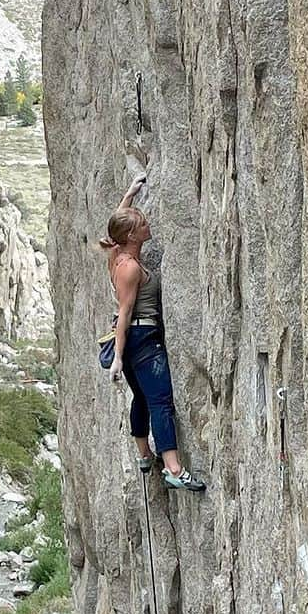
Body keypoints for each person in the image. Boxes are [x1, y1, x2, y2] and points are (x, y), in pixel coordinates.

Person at [100, 174, 206, 492]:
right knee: (161, 401)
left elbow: (115, 226)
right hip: (141, 339)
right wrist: (118, 358)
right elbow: (127, 312)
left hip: (132, 340)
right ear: (132, 235)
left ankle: (144, 455)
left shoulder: (117, 256)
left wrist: (129, 194)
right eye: (142, 223)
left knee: (142, 398)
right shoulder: (130, 269)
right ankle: (173, 468)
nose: (148, 225)